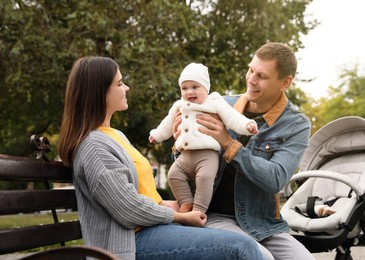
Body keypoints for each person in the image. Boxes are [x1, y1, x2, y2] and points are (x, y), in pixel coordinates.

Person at [58, 56, 263, 260]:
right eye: (120, 83)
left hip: (149, 230)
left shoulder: (114, 135)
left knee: (242, 243)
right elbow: (127, 209)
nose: (126, 88)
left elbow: (132, 195)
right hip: (130, 242)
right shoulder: (94, 147)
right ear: (100, 93)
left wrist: (166, 205)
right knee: (241, 247)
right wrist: (180, 216)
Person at [173, 42, 315, 260]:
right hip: (214, 216)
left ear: (285, 82)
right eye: (250, 70)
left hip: (263, 224)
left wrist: (228, 143)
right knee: (262, 258)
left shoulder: (296, 124)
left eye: (262, 76)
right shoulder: (219, 105)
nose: (251, 79)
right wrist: (179, 144)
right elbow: (188, 166)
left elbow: (276, 178)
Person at [149, 63, 258, 214]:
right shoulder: (179, 105)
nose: (189, 92)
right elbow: (167, 124)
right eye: (184, 88)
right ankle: (186, 203)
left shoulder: (215, 102)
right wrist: (156, 135)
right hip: (185, 156)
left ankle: (199, 210)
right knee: (173, 175)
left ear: (206, 89)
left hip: (207, 155)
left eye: (195, 87)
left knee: (205, 178)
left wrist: (247, 125)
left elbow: (232, 118)